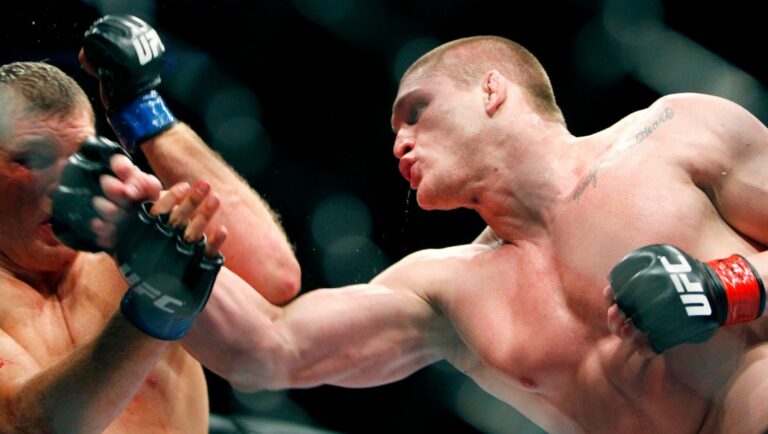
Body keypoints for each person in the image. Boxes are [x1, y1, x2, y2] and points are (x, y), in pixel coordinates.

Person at [170, 35, 768, 434]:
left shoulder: (673, 133)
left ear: (491, 90)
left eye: (416, 112)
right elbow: (269, 352)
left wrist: (728, 286)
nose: (399, 143)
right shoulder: (445, 287)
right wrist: (144, 231)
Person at [0, 40, 299, 434]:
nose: (64, 184)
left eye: (81, 157)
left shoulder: (131, 233)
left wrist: (143, 109)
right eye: (31, 159)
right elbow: (31, 425)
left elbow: (276, 279)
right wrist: (155, 310)